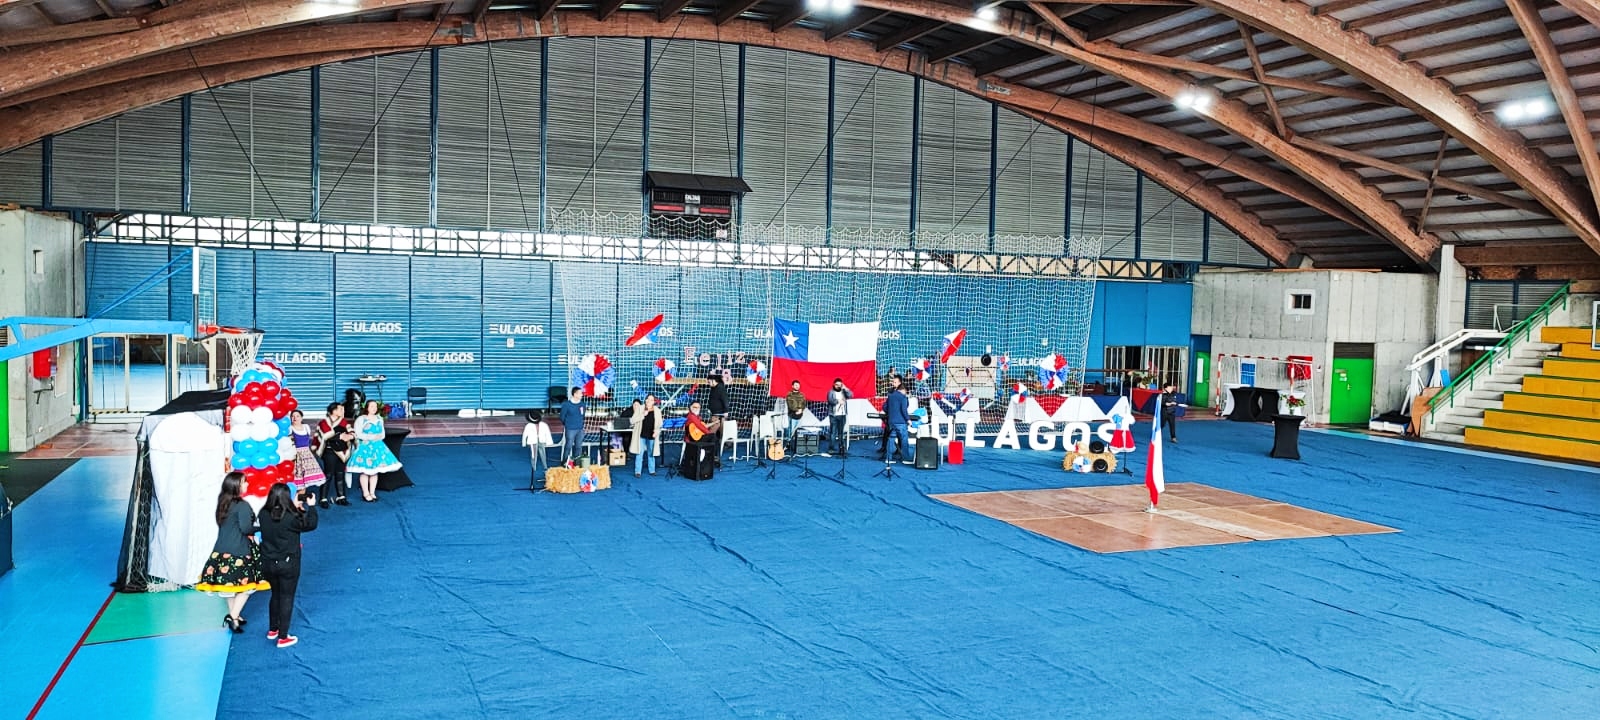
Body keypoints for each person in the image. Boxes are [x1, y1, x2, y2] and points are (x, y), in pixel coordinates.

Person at [196, 471, 266, 633]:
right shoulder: (242, 505)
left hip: (220, 550)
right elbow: (246, 528)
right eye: (244, 482)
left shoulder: (223, 503)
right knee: (247, 587)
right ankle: (233, 616)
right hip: (239, 551)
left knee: (229, 587)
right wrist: (262, 527)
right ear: (236, 486)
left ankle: (235, 615)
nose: (247, 484)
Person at [257, 482, 318, 649]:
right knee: (286, 597)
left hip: (268, 562)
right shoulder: (291, 517)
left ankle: (273, 630)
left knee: (275, 595)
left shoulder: (263, 513)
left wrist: (295, 507)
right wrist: (311, 507)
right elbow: (310, 524)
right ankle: (283, 637)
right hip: (288, 563)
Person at [347, 399, 402, 502]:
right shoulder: (361, 419)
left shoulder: (379, 418)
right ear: (367, 408)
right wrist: (371, 437)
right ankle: (365, 493)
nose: (374, 408)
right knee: (365, 471)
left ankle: (372, 492)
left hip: (378, 447)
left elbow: (382, 434)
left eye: (375, 406)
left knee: (374, 471)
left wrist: (378, 437)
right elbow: (358, 434)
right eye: (372, 406)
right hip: (365, 447)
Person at [315, 402, 354, 506]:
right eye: (340, 409)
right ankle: (323, 498)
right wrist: (339, 436)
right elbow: (325, 436)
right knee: (328, 474)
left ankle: (341, 497)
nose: (343, 411)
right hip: (329, 451)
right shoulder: (323, 422)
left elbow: (351, 432)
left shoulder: (344, 422)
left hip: (342, 451)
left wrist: (350, 436)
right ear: (334, 411)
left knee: (340, 473)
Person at [288, 410, 326, 501]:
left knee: (304, 481)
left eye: (297, 416)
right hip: (295, 455)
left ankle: (300, 502)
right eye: (293, 416)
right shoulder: (290, 429)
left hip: (307, 455)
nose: (295, 418)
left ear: (301, 417)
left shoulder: (306, 427)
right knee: (297, 480)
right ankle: (294, 501)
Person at [880, 374, 911, 464]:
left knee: (891, 439)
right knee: (904, 440)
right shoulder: (903, 397)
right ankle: (906, 458)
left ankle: (888, 458)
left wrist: (892, 411)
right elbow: (904, 410)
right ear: (904, 390)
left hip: (891, 421)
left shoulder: (891, 395)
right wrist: (908, 420)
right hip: (900, 422)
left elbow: (885, 407)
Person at [630, 394, 663, 477]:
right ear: (645, 400)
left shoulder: (657, 411)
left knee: (651, 453)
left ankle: (652, 470)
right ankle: (638, 471)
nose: (649, 401)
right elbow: (632, 420)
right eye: (648, 399)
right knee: (639, 453)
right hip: (641, 435)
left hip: (651, 435)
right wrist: (642, 415)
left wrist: (657, 431)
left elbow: (660, 424)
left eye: (651, 400)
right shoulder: (640, 408)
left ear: (654, 402)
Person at [521, 411, 555, 489]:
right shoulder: (529, 426)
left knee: (543, 455)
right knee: (534, 456)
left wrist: (549, 442)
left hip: (541, 441)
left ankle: (545, 468)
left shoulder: (544, 425)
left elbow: (547, 434)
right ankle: (534, 468)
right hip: (532, 442)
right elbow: (525, 435)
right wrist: (524, 443)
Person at [824, 378, 852, 457]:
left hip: (842, 415)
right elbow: (830, 400)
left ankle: (841, 448)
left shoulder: (843, 392)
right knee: (833, 433)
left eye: (840, 385)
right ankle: (831, 448)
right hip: (834, 415)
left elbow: (850, 395)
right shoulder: (831, 392)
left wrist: (845, 388)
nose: (838, 386)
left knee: (841, 433)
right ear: (834, 385)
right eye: (837, 385)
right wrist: (838, 401)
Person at [560, 387, 586, 463]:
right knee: (568, 446)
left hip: (580, 429)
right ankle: (565, 462)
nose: (582, 395)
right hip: (570, 429)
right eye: (580, 393)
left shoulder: (582, 404)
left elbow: (583, 415)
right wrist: (568, 424)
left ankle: (577, 463)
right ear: (575, 394)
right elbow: (562, 417)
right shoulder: (566, 405)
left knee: (578, 446)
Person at [784, 380, 807, 449]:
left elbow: (804, 404)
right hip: (792, 416)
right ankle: (788, 445)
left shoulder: (802, 395)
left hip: (800, 416)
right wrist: (797, 410)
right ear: (792, 386)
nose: (797, 386)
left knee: (798, 431)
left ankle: (797, 446)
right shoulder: (789, 395)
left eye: (798, 385)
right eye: (796, 385)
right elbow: (790, 405)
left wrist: (801, 410)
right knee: (791, 432)